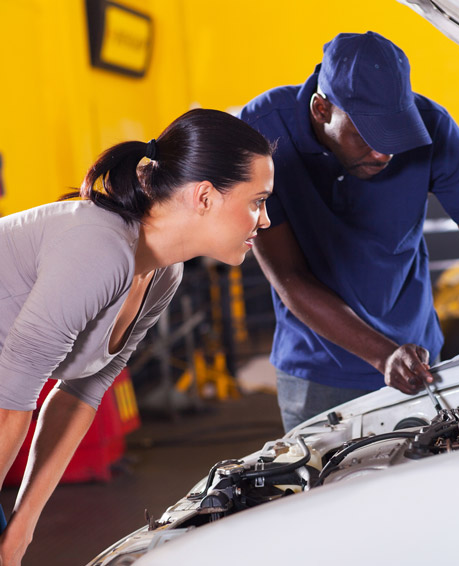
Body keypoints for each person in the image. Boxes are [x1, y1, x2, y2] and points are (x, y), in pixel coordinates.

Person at [240, 31, 459, 432]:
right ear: (321, 110)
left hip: (418, 357)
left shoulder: (434, 128)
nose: (383, 153)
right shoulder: (263, 131)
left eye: (394, 135)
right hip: (318, 371)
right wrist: (383, 354)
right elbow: (289, 276)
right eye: (367, 136)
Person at [0, 108, 274, 566]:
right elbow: (11, 406)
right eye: (257, 201)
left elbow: (80, 396)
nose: (263, 220)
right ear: (205, 196)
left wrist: (21, 529)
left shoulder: (164, 274)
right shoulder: (97, 249)